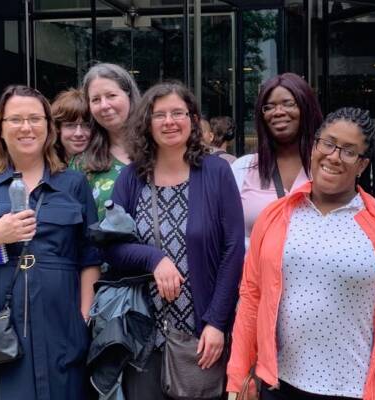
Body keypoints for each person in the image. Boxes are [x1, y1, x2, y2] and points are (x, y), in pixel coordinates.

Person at [227, 107, 375, 400]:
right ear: (314, 146)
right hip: (280, 385)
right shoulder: (276, 216)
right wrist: (237, 378)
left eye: (349, 151)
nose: (333, 156)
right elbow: (251, 297)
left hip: (354, 389)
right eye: (327, 144)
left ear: (363, 165)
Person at [0, 85, 101, 400]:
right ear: (0, 128)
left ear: (49, 128)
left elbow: (89, 257)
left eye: (35, 119)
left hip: (60, 326)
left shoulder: (73, 183)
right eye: (15, 119)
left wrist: (82, 317)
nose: (26, 127)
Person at [102, 82, 244, 399]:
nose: (169, 121)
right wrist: (154, 259)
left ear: (193, 119)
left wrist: (217, 322)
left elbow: (233, 251)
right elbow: (111, 245)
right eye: (159, 114)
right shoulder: (132, 177)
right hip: (143, 334)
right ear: (146, 123)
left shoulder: (216, 172)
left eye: (178, 113)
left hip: (201, 334)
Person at [232, 73, 323, 244]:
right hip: (256, 269)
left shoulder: (328, 165)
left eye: (288, 104)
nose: (278, 112)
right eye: (269, 107)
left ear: (306, 107)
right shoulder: (242, 169)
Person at [74, 63, 142, 220]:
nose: (104, 105)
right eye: (96, 99)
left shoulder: (160, 149)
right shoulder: (82, 163)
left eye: (111, 96)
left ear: (129, 95)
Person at [51, 88, 92, 161]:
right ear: (57, 128)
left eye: (86, 125)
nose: (78, 133)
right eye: (70, 125)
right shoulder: (43, 165)